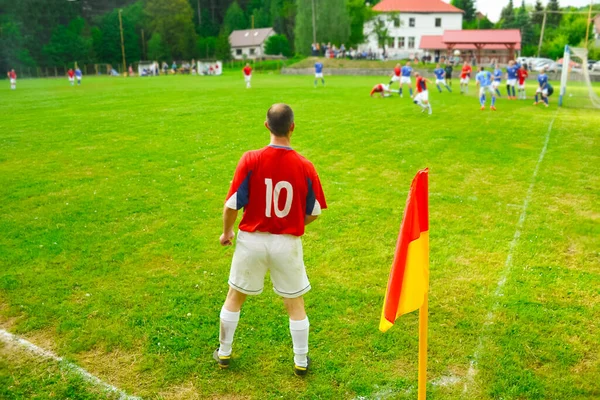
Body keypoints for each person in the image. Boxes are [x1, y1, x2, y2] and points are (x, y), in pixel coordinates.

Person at [215, 103, 327, 377]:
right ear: (292, 127)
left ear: (266, 125)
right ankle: (300, 360)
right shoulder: (305, 166)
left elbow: (232, 205)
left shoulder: (250, 159)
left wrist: (227, 232)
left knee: (235, 296)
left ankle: (224, 352)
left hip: (251, 240)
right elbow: (315, 211)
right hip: (286, 244)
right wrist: (294, 223)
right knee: (295, 302)